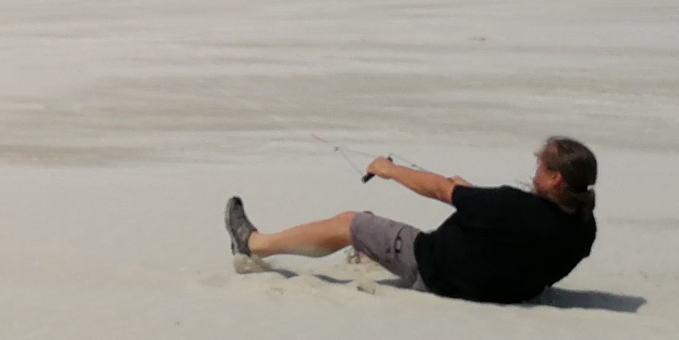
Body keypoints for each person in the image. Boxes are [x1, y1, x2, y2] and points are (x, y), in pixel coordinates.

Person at [225, 137, 597, 304]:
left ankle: (254, 244)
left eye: (541, 164)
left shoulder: (511, 206)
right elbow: (516, 228)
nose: (535, 166)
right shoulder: (583, 227)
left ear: (556, 180)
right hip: (508, 290)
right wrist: (473, 196)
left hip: (433, 269)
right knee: (375, 229)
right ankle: (369, 251)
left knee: (350, 223)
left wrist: (387, 170)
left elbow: (440, 190)